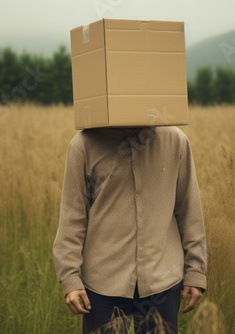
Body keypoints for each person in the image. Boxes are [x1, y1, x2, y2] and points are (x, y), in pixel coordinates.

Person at [53, 125, 207, 334]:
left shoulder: (175, 141)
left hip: (163, 281)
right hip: (102, 286)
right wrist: (70, 279)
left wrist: (196, 271)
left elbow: (189, 211)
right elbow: (72, 217)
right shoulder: (84, 145)